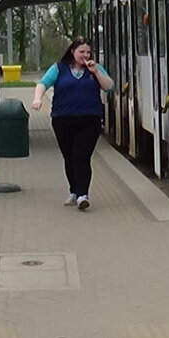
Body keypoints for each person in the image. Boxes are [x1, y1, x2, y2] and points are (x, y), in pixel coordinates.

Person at [31, 37, 114, 211]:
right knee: (69, 156)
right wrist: (38, 99)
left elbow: (109, 86)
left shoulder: (95, 69)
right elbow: (43, 84)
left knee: (81, 155)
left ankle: (83, 194)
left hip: (90, 119)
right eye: (81, 52)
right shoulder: (59, 69)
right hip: (63, 119)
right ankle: (74, 191)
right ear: (72, 52)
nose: (85, 55)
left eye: (88, 52)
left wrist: (96, 73)